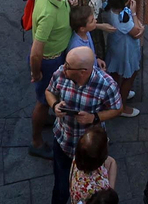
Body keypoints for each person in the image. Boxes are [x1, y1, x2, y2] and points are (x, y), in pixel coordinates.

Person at [42, 47, 125, 204]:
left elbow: (117, 108)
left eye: (68, 66)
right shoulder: (61, 73)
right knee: (60, 188)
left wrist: (94, 118)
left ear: (83, 71)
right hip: (63, 141)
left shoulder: (106, 85)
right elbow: (49, 91)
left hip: (90, 149)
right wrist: (54, 105)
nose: (63, 68)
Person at [29, 0, 75, 157]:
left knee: (49, 99)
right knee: (42, 100)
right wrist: (36, 72)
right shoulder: (48, 14)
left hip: (59, 54)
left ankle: (47, 116)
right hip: (49, 61)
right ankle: (37, 142)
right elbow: (35, 52)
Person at [69, 125, 117, 203]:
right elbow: (112, 162)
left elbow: (112, 162)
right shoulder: (100, 187)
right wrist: (110, 192)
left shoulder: (80, 158)